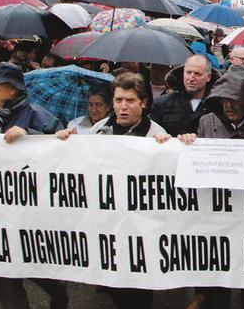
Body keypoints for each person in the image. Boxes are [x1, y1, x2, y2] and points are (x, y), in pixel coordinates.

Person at [0, 62, 68, 309]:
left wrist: (29, 134)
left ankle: (57, 290)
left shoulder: (38, 115)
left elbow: (62, 150)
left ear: (12, 90)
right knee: (2, 272)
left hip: (30, 212)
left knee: (36, 262)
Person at [57, 72, 168, 308]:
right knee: (116, 287)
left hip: (140, 227)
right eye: (118, 100)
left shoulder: (157, 136)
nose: (123, 107)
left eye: (130, 101)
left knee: (138, 292)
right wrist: (66, 143)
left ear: (143, 102)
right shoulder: (99, 130)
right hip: (108, 224)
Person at [175, 64, 244, 309]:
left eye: (235, 101)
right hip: (217, 217)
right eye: (223, 100)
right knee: (216, 283)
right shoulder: (206, 122)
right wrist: (188, 142)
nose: (229, 106)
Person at [151, 54, 216, 136]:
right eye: (188, 72)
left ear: (208, 77)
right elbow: (151, 133)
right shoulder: (162, 103)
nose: (191, 78)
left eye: (197, 74)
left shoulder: (216, 105)